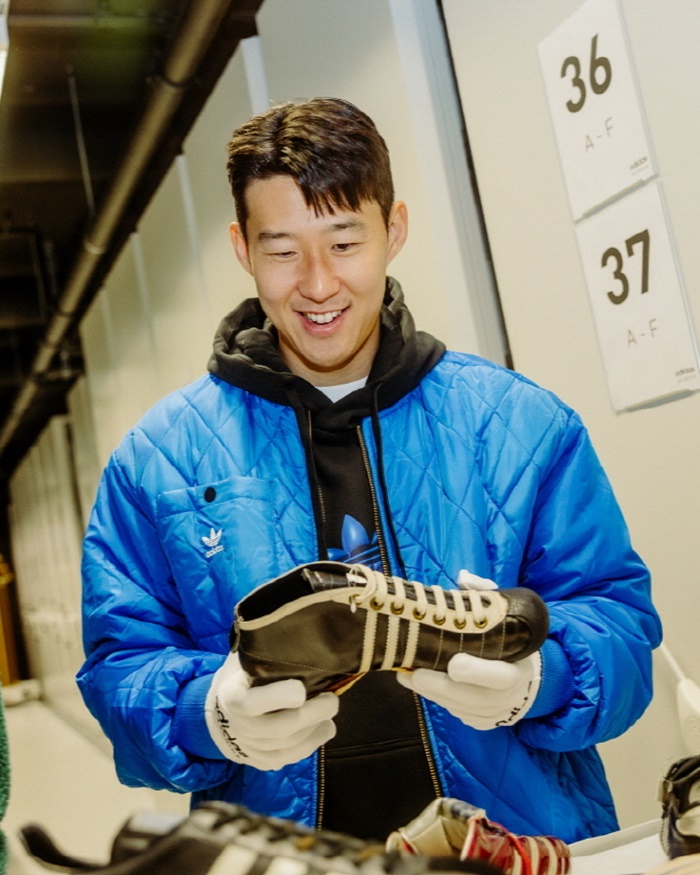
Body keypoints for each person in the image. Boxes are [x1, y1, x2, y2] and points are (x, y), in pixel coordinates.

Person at [77, 97, 662, 845]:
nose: (319, 284)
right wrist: (207, 715)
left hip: (514, 844)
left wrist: (541, 678)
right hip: (286, 856)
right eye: (282, 250)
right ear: (242, 248)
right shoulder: (157, 459)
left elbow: (620, 621)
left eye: (345, 242)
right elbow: (119, 665)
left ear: (395, 229)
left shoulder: (521, 423)